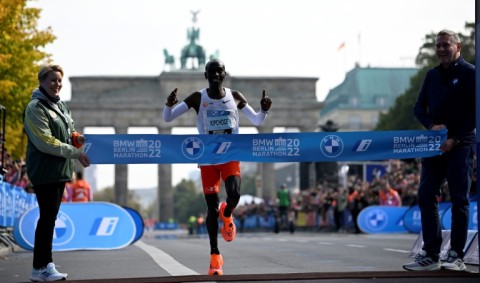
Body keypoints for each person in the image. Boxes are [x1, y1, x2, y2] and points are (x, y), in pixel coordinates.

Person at [163, 59, 272, 275]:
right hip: (208, 159)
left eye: (219, 71)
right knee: (211, 209)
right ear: (206, 75)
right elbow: (168, 119)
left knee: (234, 194)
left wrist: (264, 110)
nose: (215, 75)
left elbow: (258, 121)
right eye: (211, 72)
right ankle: (215, 256)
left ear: (224, 74)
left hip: (230, 155)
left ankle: (228, 213)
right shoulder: (197, 97)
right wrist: (169, 104)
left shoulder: (236, 96)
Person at [403, 30, 475, 272]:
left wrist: (455, 137)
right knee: (425, 195)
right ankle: (431, 253)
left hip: (460, 145)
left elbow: (475, 112)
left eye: (446, 45)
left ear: (458, 47)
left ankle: (456, 254)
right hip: (433, 146)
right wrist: (431, 126)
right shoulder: (432, 74)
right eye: (438, 46)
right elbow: (418, 107)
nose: (441, 49)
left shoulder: (470, 73)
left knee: (459, 200)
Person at [24, 64, 90, 281]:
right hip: (45, 170)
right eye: (52, 80)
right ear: (41, 82)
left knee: (50, 219)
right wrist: (75, 152)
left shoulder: (60, 106)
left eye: (59, 81)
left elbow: (68, 132)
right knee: (47, 219)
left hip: (59, 170)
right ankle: (40, 267)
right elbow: (45, 141)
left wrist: (76, 138)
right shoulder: (36, 107)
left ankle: (45, 265)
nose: (57, 84)